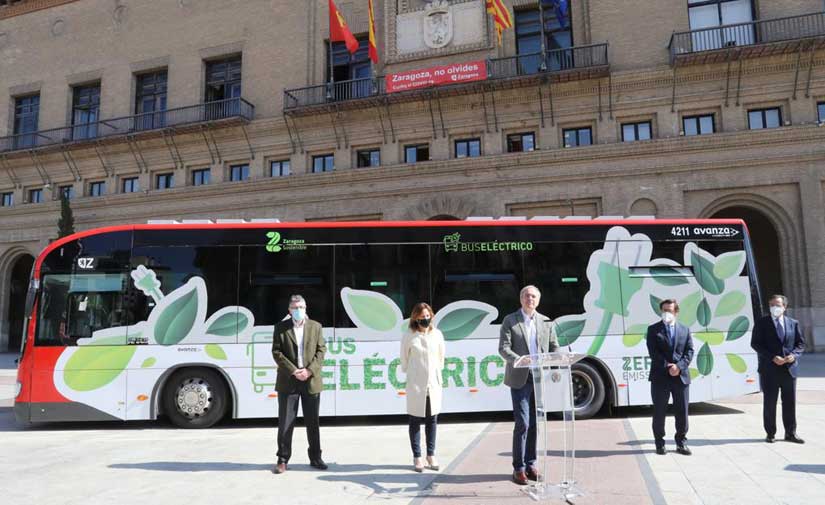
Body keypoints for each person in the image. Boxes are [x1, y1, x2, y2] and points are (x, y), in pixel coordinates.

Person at [498, 285, 558, 485]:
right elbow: (503, 348)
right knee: (523, 422)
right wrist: (520, 360)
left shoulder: (546, 322)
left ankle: (531, 464)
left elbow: (553, 346)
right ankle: (518, 468)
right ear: (520, 299)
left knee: (535, 423)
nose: (529, 299)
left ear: (538, 301)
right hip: (519, 377)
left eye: (533, 296)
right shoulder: (510, 320)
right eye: (526, 296)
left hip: (539, 377)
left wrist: (557, 358)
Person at [271, 294, 328, 474]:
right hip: (289, 380)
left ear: (305, 308)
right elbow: (277, 352)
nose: (298, 311)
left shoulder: (316, 327)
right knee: (286, 422)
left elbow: (321, 350)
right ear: (289, 310)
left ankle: (316, 457)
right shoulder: (280, 328)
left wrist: (309, 370)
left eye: (301, 307)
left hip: (311, 380)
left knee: (313, 422)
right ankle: (282, 459)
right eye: (295, 308)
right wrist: (294, 370)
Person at [750, 294, 805, 444]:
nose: (775, 307)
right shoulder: (762, 323)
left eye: (778, 305)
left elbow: (800, 344)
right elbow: (756, 344)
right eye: (772, 305)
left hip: (789, 369)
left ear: (784, 307)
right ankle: (770, 433)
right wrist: (772, 357)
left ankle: (790, 433)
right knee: (770, 402)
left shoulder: (793, 323)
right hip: (769, 370)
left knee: (789, 402)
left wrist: (794, 355)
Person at [400, 302, 446, 473]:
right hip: (416, 384)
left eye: (428, 316)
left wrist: (434, 374)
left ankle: (431, 454)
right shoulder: (409, 336)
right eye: (422, 317)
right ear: (415, 318)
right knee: (415, 420)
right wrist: (413, 373)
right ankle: (417, 456)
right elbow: (404, 360)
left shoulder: (437, 334)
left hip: (433, 383)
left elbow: (441, 358)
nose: (425, 319)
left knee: (432, 419)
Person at [646, 299, 694, 456]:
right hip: (660, 377)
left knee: (682, 411)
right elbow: (654, 353)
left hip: (681, 377)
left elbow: (689, 351)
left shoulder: (685, 330)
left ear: (676, 312)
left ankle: (681, 442)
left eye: (670, 310)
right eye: (664, 310)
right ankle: (659, 444)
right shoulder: (653, 330)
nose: (667, 313)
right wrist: (669, 366)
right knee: (659, 411)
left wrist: (679, 367)